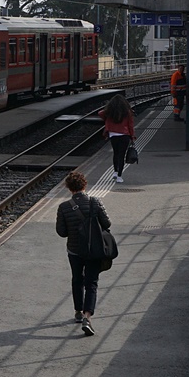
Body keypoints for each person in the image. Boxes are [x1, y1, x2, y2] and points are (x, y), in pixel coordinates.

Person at [56, 171, 112, 337]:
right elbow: (107, 223)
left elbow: (61, 232)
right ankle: (88, 316)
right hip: (94, 250)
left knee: (77, 279)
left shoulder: (64, 207)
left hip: (74, 250)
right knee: (92, 282)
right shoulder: (95, 202)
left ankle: (78, 312)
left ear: (69, 188)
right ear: (84, 185)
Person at [98, 94, 135, 183]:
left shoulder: (110, 112)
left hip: (113, 135)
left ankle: (115, 171)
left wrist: (107, 119)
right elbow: (130, 125)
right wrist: (132, 136)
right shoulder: (127, 112)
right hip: (124, 135)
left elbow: (100, 113)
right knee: (121, 155)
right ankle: (119, 176)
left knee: (116, 153)